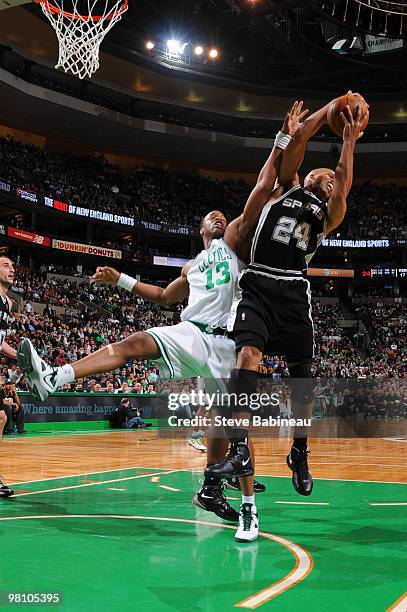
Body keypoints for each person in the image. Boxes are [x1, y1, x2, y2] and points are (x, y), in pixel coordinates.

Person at [17, 102, 306, 539]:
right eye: (213, 217)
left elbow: (265, 186)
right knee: (134, 342)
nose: (220, 217)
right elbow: (164, 296)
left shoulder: (236, 247)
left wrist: (281, 142)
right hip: (192, 333)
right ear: (200, 228)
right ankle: (56, 376)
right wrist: (121, 280)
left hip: (230, 344)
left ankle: (236, 501)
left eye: (222, 217)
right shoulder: (192, 267)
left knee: (230, 428)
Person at [206, 94, 368, 540]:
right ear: (307, 176)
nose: (329, 179)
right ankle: (239, 448)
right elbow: (294, 146)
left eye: (332, 178)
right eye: (322, 174)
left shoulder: (328, 214)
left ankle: (299, 449)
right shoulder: (285, 188)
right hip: (258, 283)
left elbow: (345, 182)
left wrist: (350, 141)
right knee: (246, 361)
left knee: (302, 381)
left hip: (294, 291)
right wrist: (321, 115)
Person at [0, 256, 17, 498]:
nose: (12, 269)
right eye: (5, 265)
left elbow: (1, 343)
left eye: (13, 266)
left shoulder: (9, 304)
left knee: (1, 416)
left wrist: (25, 357)